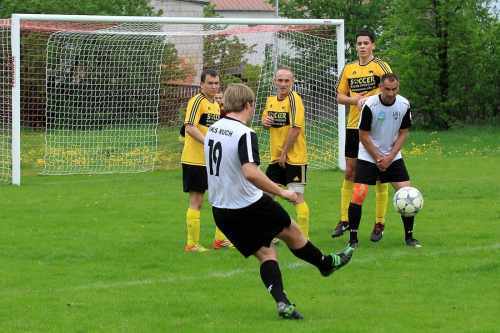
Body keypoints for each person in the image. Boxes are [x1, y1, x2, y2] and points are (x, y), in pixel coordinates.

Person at [205, 83, 354, 319]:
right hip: (249, 205)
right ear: (248, 105)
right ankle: (326, 263)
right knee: (292, 231)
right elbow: (250, 172)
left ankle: (283, 303)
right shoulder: (244, 133)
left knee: (266, 254)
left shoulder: (213, 129)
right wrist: (282, 192)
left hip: (221, 210)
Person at [347, 73, 421, 248]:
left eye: (394, 89)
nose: (391, 93)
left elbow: (404, 132)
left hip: (392, 155)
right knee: (359, 193)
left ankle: (409, 238)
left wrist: (390, 156)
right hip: (368, 154)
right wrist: (379, 158)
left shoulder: (404, 104)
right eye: (387, 89)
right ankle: (353, 239)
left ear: (398, 87)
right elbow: (363, 135)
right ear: (380, 87)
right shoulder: (370, 105)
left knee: (407, 193)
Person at [333, 30, 393, 243]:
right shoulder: (349, 69)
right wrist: (354, 101)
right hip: (353, 127)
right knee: (350, 172)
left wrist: (371, 99)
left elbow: (390, 89)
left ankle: (379, 222)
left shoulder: (381, 66)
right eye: (359, 43)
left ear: (373, 45)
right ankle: (344, 219)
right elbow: (339, 96)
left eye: (366, 43)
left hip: (377, 127)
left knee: (380, 174)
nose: (362, 47)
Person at [181, 69, 231, 252]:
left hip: (213, 161)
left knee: (220, 199)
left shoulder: (216, 105)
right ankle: (191, 244)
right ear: (202, 84)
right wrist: (208, 142)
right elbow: (189, 127)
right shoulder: (197, 101)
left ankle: (220, 240)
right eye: (210, 83)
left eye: (217, 83)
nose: (214, 86)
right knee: (197, 201)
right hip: (195, 160)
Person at [261, 67, 310, 239]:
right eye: (280, 80)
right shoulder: (270, 100)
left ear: (292, 82)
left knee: (296, 197)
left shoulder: (295, 99)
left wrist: (284, 154)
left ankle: (303, 237)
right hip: (276, 158)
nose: (283, 84)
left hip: (295, 158)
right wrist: (264, 121)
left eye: (286, 81)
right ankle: (271, 233)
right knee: (267, 197)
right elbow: (266, 120)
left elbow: (296, 129)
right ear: (275, 81)